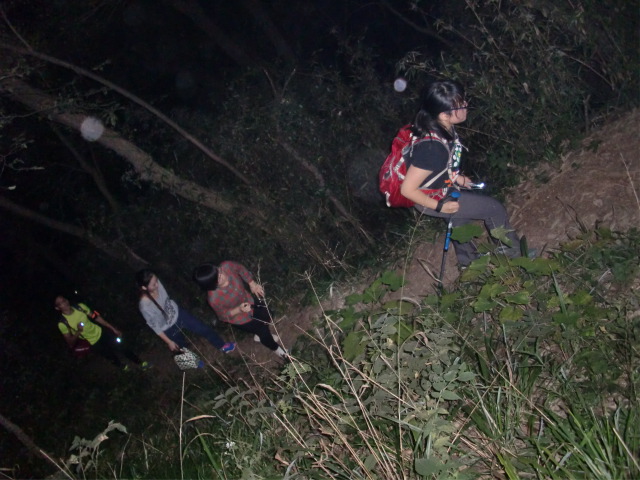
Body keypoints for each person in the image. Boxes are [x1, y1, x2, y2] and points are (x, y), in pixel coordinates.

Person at [399, 79, 526, 267]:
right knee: (493, 208)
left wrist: (456, 178)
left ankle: (469, 263)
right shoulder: (432, 147)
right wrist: (439, 207)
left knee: (460, 222)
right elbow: (407, 190)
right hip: (430, 198)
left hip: (440, 188)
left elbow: (438, 166)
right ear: (444, 114)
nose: (466, 105)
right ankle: (514, 256)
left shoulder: (441, 127)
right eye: (460, 104)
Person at [192, 261, 288, 359]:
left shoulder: (227, 266)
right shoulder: (214, 298)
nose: (223, 275)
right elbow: (223, 316)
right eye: (218, 278)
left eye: (219, 271)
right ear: (212, 284)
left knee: (268, 314)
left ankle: (259, 335)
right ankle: (280, 352)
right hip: (240, 318)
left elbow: (240, 269)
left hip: (249, 300)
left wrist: (252, 283)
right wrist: (239, 309)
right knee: (263, 332)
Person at [135, 269, 236, 357]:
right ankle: (195, 364)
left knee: (203, 328)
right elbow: (155, 327)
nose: (157, 285)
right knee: (181, 348)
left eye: (156, 280)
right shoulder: (145, 306)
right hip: (168, 328)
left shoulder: (156, 283)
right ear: (144, 287)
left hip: (179, 314)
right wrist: (169, 342)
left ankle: (222, 346)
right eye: (153, 284)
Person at [55, 296, 150, 370]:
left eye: (64, 300)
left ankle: (140, 363)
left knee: (121, 346)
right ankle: (123, 367)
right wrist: (78, 331)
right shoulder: (63, 323)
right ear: (57, 308)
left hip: (101, 332)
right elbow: (70, 342)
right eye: (61, 303)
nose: (65, 303)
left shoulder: (80, 307)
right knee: (110, 356)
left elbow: (96, 317)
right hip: (93, 343)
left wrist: (113, 328)